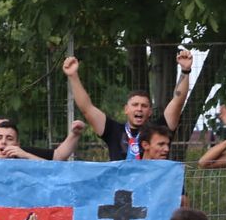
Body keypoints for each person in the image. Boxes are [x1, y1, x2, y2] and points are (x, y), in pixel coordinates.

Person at [63, 51, 193, 160]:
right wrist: (73, 76)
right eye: (135, 105)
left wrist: (185, 71)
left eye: (144, 106)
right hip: (120, 184)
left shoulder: (159, 129)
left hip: (153, 183)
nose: (139, 109)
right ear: (126, 109)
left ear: (150, 112)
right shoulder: (113, 130)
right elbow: (87, 108)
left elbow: (177, 102)